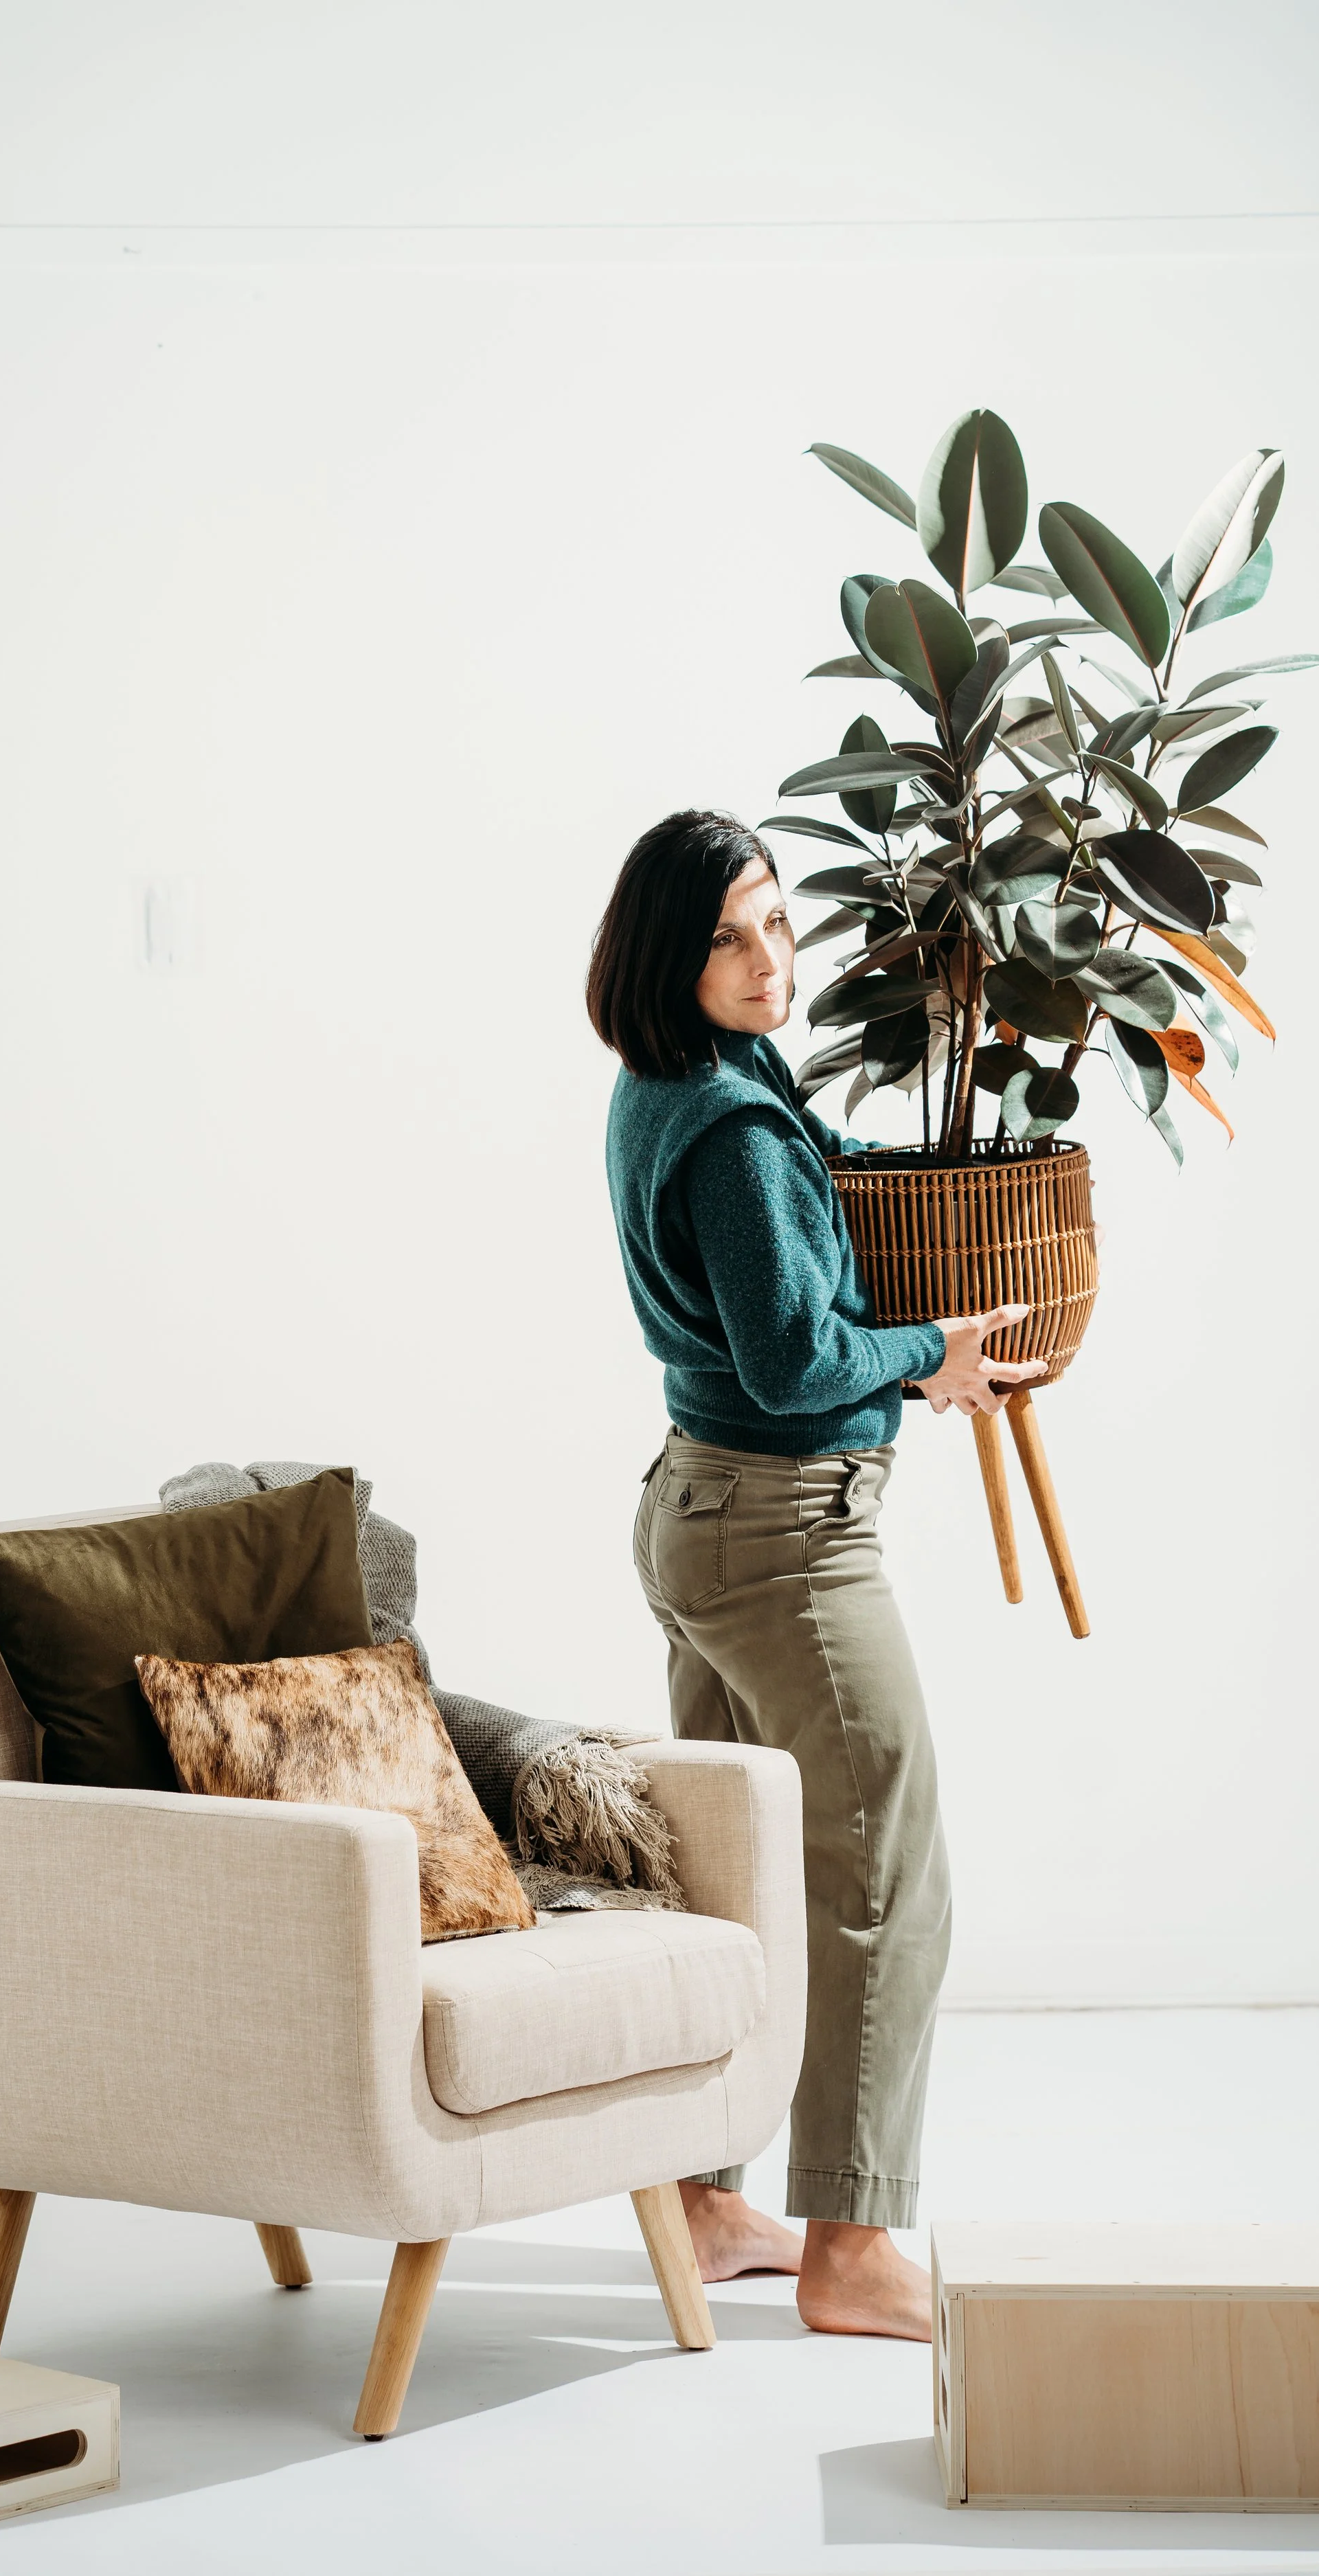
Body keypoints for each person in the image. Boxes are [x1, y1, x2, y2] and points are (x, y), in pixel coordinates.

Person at [587, 809, 1046, 2342]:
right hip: (783, 1535)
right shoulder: (723, 1129)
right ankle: (850, 2243)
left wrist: (905, 1188)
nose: (767, 958)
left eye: (777, 922)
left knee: (718, 1864)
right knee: (883, 1868)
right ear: (668, 953)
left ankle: (707, 2202)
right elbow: (792, 1359)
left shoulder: (682, 1088)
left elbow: (809, 1183)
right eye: (728, 936)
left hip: (697, 1517)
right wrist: (934, 1358)